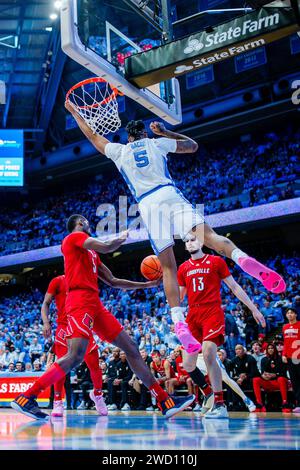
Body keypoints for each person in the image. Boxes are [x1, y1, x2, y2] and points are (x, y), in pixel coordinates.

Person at [65, 100, 285, 355]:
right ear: (145, 133)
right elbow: (192, 146)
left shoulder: (120, 151)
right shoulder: (157, 143)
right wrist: (166, 132)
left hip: (147, 204)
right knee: (211, 238)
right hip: (169, 194)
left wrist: (74, 111)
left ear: (128, 137)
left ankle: (179, 321)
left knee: (169, 266)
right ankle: (242, 258)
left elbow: (92, 136)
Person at [11, 214, 194, 420]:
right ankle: (27, 397)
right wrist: (121, 237)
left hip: (95, 304)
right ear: (80, 223)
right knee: (75, 355)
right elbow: (106, 246)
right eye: (86, 222)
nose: (89, 224)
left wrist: (146, 285)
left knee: (131, 348)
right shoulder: (72, 238)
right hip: (79, 300)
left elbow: (114, 281)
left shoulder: (92, 255)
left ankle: (164, 401)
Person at [179, 235, 264, 418]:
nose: (190, 243)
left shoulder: (216, 261)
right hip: (192, 315)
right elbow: (178, 298)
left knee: (209, 352)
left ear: (201, 242)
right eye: (186, 241)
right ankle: (207, 392)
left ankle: (220, 404)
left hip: (212, 311)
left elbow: (234, 287)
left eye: (193, 239)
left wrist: (253, 309)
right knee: (188, 363)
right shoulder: (183, 268)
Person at [41, 274, 105, 417]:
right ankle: (57, 401)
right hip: (64, 326)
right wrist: (46, 322)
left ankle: (98, 395)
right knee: (61, 366)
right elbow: (46, 302)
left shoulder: (86, 278)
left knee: (94, 363)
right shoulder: (57, 281)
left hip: (82, 322)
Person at [252, 343, 291, 412]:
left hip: (279, 382)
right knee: (256, 380)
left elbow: (283, 373)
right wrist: (264, 376)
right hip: (268, 382)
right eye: (269, 348)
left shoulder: (280, 358)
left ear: (275, 349)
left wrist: (275, 375)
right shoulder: (264, 359)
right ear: (267, 350)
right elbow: (263, 373)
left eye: (272, 348)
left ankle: (285, 403)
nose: (270, 350)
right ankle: (259, 404)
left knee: (281, 378)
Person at [282, 308, 300, 413]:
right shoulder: (285, 327)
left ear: (296, 314)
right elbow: (285, 343)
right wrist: (284, 354)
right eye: (288, 313)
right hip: (290, 358)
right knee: (295, 382)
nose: (289, 314)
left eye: (292, 313)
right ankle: (299, 403)